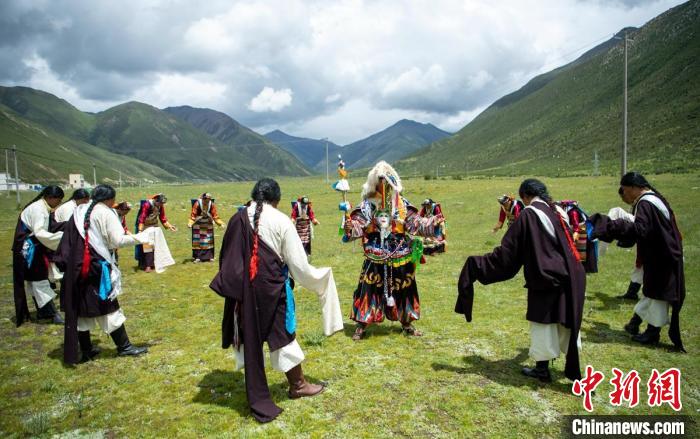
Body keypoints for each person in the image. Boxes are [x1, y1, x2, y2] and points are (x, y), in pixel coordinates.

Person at [210, 178, 343, 423]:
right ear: (277, 200)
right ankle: (298, 385)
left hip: (242, 292)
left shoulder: (237, 218)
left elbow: (226, 259)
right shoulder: (281, 221)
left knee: (251, 336)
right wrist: (320, 278)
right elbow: (299, 267)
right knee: (282, 334)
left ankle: (293, 384)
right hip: (271, 290)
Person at [456, 179, 586, 382]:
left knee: (543, 322)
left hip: (547, 276)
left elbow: (507, 255)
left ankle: (542, 370)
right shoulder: (557, 211)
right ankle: (573, 373)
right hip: (572, 274)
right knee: (566, 321)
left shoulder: (529, 214)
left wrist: (476, 265)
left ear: (525, 196)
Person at [343, 161, 440, 340]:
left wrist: (432, 223)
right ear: (375, 182)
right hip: (375, 253)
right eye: (381, 180)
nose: (385, 184)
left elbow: (414, 224)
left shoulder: (402, 204)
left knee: (405, 288)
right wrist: (350, 226)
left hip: (400, 251)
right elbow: (357, 226)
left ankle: (407, 323)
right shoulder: (368, 205)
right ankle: (362, 324)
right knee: (369, 287)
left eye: (387, 180)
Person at [588, 172, 685, 350]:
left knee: (658, 295)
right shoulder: (654, 200)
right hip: (661, 255)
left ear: (633, 187)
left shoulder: (646, 203)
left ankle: (652, 332)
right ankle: (636, 323)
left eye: (625, 190)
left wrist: (614, 226)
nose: (625, 194)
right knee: (652, 292)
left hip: (662, 256)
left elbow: (640, 229)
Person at [55, 184, 150, 364]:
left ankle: (86, 350)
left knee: (81, 308)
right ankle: (124, 347)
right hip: (94, 267)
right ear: (110, 199)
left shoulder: (79, 211)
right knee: (107, 305)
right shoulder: (105, 213)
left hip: (75, 268)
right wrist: (142, 237)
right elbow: (117, 240)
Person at [12, 185, 65, 325]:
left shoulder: (42, 207)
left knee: (35, 280)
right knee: (39, 280)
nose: (59, 203)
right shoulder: (38, 210)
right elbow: (40, 232)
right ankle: (51, 313)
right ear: (50, 198)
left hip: (32, 247)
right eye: (58, 200)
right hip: (29, 250)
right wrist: (61, 239)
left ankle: (43, 312)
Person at [135, 193, 176, 272]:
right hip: (146, 227)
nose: (161, 204)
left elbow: (162, 217)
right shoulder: (147, 205)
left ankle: (153, 264)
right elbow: (142, 217)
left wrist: (170, 226)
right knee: (147, 246)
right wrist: (140, 230)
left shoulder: (160, 206)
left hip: (155, 227)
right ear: (156, 201)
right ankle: (147, 266)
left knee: (156, 246)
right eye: (160, 203)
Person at [557, 200, 598, 273]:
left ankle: (582, 268)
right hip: (578, 228)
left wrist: (575, 234)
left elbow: (576, 225)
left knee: (581, 250)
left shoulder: (573, 212)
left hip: (582, 228)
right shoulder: (569, 210)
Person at [188, 193, 225, 262]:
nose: (206, 202)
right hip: (198, 224)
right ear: (203, 199)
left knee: (208, 240)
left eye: (208, 200)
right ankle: (198, 257)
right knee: (198, 241)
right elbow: (193, 215)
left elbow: (215, 216)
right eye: (205, 200)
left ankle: (209, 256)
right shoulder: (197, 204)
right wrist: (190, 223)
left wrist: (220, 223)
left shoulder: (211, 204)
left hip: (208, 224)